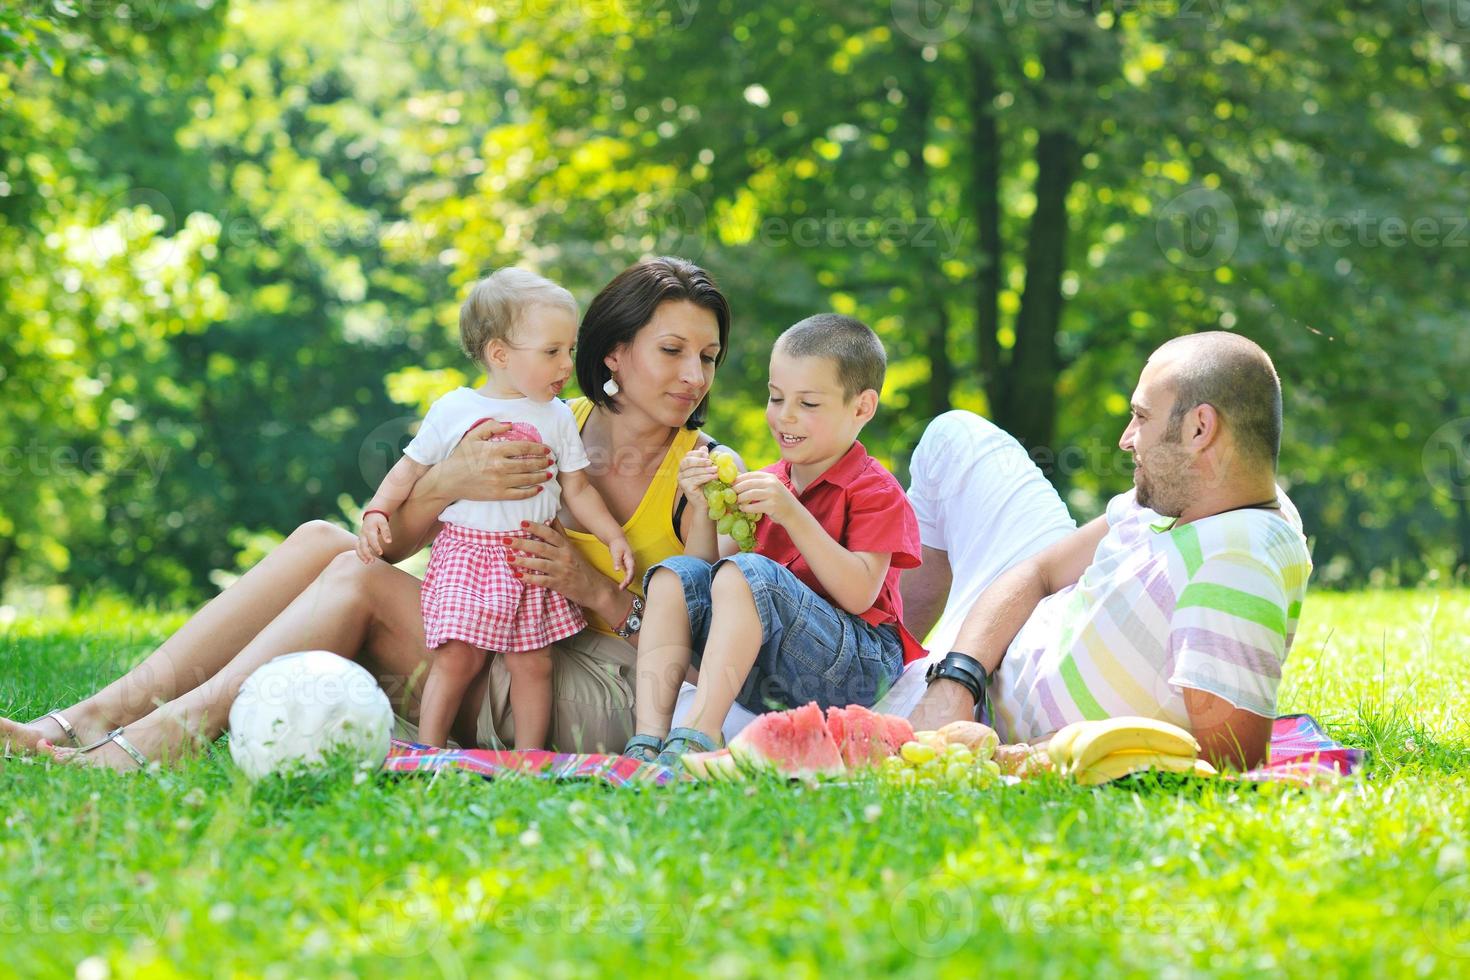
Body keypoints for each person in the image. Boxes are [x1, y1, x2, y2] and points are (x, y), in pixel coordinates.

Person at [1, 256, 734, 768]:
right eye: (672, 350)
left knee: (354, 588)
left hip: (600, 684)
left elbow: (703, 662)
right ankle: (95, 715)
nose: (692, 376)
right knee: (326, 542)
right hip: (495, 631)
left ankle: (160, 740)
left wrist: (596, 586)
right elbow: (386, 548)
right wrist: (446, 480)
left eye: (708, 357)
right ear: (612, 353)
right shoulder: (541, 416)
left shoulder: (707, 472)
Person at [909, 332, 1312, 770]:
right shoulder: (1196, 494)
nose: (1126, 438)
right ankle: (901, 657)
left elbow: (1230, 762)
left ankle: (892, 679)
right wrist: (954, 682)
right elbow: (1041, 571)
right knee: (954, 435)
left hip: (982, 719)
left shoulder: (1237, 562)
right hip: (983, 649)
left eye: (1141, 417)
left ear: (1200, 428)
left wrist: (1019, 754)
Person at [623, 314, 924, 764]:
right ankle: (647, 740)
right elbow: (708, 576)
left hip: (859, 668)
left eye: (808, 403)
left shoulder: (874, 490)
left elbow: (860, 594)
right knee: (674, 574)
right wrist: (704, 510)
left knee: (750, 573)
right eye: (776, 397)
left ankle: (698, 735)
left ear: (861, 407)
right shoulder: (768, 483)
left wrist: (792, 513)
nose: (785, 416)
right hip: (772, 666)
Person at [357, 269, 635, 749]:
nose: (565, 364)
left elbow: (578, 489)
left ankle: (528, 758)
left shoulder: (558, 416)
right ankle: (430, 747)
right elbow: (409, 468)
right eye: (551, 352)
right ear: (499, 354)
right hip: (468, 556)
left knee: (535, 662)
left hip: (529, 557)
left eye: (569, 350)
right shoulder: (455, 409)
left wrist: (612, 535)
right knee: (457, 657)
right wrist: (377, 511)